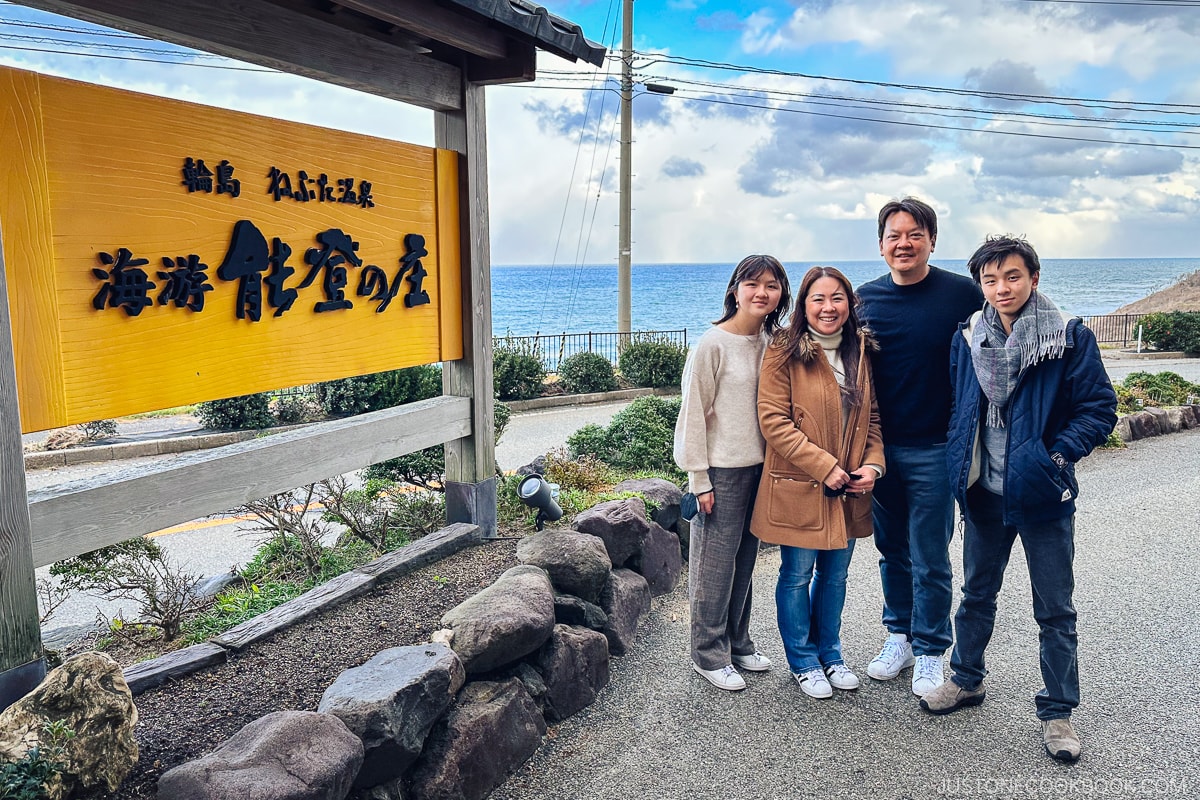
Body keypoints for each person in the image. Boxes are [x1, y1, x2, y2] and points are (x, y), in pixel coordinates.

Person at [920, 236, 1117, 762]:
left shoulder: (1068, 337)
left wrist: (1054, 458)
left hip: (1042, 495)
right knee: (976, 593)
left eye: (1012, 276)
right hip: (983, 492)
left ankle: (1057, 713)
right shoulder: (968, 338)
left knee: (1055, 609)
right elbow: (958, 406)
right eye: (990, 278)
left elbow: (1098, 409)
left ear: (1033, 278)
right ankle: (966, 679)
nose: (1001, 287)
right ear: (980, 284)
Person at [856, 197, 984, 696]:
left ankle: (932, 650)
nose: (903, 243)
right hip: (880, 451)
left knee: (931, 555)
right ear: (881, 244)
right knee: (891, 552)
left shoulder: (963, 294)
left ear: (932, 240)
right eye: (894, 235)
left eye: (914, 234)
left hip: (937, 447)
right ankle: (899, 636)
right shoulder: (865, 298)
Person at [751, 267, 884, 699]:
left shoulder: (859, 349)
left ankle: (831, 654)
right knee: (796, 574)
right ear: (803, 305)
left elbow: (873, 420)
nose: (829, 308)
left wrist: (873, 466)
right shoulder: (784, 351)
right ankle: (803, 662)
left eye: (837, 298)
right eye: (818, 299)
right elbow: (774, 421)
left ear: (850, 303)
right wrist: (823, 465)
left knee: (835, 576)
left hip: (848, 487)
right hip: (802, 484)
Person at [673, 255, 792, 691]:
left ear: (782, 293)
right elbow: (692, 416)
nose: (762, 292)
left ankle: (738, 642)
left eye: (772, 285)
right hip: (722, 471)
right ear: (735, 289)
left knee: (745, 563)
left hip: (764, 469)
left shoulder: (774, 341)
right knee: (713, 567)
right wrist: (698, 478)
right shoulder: (712, 344)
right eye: (752, 283)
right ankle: (707, 653)